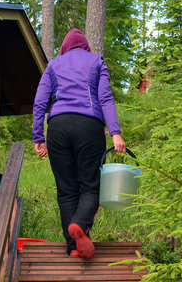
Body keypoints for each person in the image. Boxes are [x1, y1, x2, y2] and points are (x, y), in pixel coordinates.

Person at [32, 29, 126, 259]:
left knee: (66, 190)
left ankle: (73, 247)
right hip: (89, 127)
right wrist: (115, 132)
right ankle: (79, 226)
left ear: (64, 47)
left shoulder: (53, 65)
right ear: (85, 47)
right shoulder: (97, 62)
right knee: (91, 186)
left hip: (58, 128)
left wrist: (38, 137)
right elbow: (105, 98)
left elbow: (40, 101)